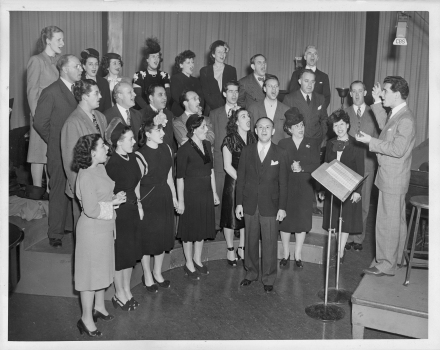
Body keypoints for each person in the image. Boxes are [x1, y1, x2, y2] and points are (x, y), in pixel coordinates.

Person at [356, 76, 416, 277]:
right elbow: (386, 131)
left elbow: (397, 149)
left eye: (385, 91)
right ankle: (394, 259)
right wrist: (375, 102)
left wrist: (370, 141)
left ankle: (386, 264)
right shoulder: (398, 115)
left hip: (393, 178)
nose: (382, 94)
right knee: (395, 221)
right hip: (391, 176)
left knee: (386, 223)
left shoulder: (405, 119)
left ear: (397, 95)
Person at [73, 134, 126, 337]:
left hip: (104, 228)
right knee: (89, 276)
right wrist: (112, 204)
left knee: (102, 270)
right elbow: (91, 210)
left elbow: (101, 196)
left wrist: (114, 198)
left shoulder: (101, 167)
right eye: (103, 146)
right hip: (92, 230)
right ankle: (86, 318)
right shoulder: (85, 174)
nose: (107, 149)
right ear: (92, 153)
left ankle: (99, 307)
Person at [33, 54, 82, 247]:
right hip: (59, 151)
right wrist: (57, 141)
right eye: (76, 66)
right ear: (64, 69)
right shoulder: (51, 91)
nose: (80, 69)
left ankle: (68, 226)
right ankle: (55, 233)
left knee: (75, 188)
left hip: (78, 151)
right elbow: (39, 122)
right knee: (58, 191)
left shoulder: (78, 91)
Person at [235, 117, 288, 293]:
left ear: (273, 131)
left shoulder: (280, 153)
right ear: (255, 131)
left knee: (270, 242)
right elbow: (240, 179)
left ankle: (269, 278)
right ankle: (251, 273)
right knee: (250, 241)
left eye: (268, 127)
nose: (264, 130)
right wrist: (239, 203)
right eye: (260, 127)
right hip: (250, 204)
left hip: (271, 206)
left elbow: (283, 183)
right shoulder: (247, 151)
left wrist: (282, 207)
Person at [136, 114, 178, 291]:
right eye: (158, 130)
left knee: (161, 236)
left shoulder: (167, 149)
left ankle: (157, 272)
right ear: (147, 133)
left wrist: (174, 197)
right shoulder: (139, 155)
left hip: (164, 196)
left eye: (161, 129)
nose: (162, 133)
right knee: (148, 239)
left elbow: (169, 176)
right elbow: (136, 184)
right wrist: (138, 205)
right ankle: (147, 274)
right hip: (148, 199)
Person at [61, 79, 108, 234]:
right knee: (86, 234)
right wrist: (80, 192)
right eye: (96, 93)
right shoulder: (73, 123)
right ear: (84, 96)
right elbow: (70, 163)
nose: (100, 96)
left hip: (102, 184)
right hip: (85, 188)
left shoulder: (100, 117)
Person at [176, 115, 220, 279]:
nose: (206, 129)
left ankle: (197, 259)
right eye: (203, 127)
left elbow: (211, 171)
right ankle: (188, 263)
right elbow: (179, 177)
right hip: (190, 193)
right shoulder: (184, 149)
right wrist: (181, 200)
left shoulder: (208, 145)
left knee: (201, 228)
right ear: (193, 129)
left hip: (206, 191)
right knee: (190, 230)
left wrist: (214, 192)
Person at [105, 121, 142, 309]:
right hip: (119, 214)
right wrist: (113, 198)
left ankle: (127, 290)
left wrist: (140, 204)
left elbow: (135, 184)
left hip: (132, 210)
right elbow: (104, 192)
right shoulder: (112, 163)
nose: (134, 142)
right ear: (118, 142)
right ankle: (119, 293)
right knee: (120, 256)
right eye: (130, 139)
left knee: (129, 254)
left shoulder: (132, 157)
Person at [319, 110, 364, 263]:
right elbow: (325, 167)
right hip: (333, 188)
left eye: (342, 125)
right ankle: (340, 248)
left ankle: (340, 252)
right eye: (336, 125)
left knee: (344, 220)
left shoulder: (356, 144)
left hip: (349, 188)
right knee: (336, 219)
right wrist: (323, 189)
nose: (339, 128)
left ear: (348, 125)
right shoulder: (330, 143)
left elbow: (360, 169)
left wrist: (357, 191)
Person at [278, 107, 321, 268]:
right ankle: (286, 253)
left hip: (305, 187)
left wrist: (302, 167)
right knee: (286, 222)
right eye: (296, 126)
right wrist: (290, 167)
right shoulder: (283, 143)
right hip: (287, 187)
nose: (301, 128)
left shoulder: (312, 142)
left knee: (302, 222)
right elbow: (279, 166)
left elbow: (317, 164)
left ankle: (298, 254)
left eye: (302, 125)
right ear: (289, 129)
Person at [26, 25, 63, 192]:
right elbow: (32, 90)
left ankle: (50, 193)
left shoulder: (58, 62)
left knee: (51, 155)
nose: (63, 43)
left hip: (55, 116)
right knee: (38, 155)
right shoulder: (36, 60)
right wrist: (37, 118)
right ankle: (36, 194)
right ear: (48, 41)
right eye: (59, 40)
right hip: (41, 116)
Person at [344, 80, 379, 252]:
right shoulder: (344, 113)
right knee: (349, 201)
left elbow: (379, 139)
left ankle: (358, 238)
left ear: (365, 93)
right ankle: (348, 236)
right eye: (354, 91)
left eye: (360, 91)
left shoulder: (375, 113)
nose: (357, 94)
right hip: (348, 165)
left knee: (364, 202)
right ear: (350, 93)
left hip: (367, 163)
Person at [220, 108, 256, 265]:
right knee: (230, 217)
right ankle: (229, 250)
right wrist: (243, 181)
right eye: (243, 116)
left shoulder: (253, 139)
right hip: (234, 183)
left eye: (248, 115)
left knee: (245, 217)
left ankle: (241, 247)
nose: (248, 118)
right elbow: (227, 166)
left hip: (249, 183)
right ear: (236, 121)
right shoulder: (229, 139)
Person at [210, 80, 240, 230]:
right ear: (224, 93)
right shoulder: (214, 113)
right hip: (220, 161)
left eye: (236, 91)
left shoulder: (243, 113)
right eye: (230, 91)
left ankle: (235, 225)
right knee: (220, 192)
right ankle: (216, 226)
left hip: (238, 161)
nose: (234, 95)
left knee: (235, 194)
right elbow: (211, 138)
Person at [283, 69, 328, 143]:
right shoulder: (289, 99)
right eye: (306, 81)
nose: (309, 85)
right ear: (300, 81)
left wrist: (321, 137)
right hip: (297, 142)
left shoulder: (320, 98)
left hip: (316, 141)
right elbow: (285, 124)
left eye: (312, 82)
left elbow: (324, 119)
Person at [247, 75, 289, 144]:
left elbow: (288, 136)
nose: (273, 89)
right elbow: (250, 134)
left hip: (279, 150)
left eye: (276, 86)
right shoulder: (253, 108)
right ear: (264, 89)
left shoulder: (286, 110)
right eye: (270, 86)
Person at [199, 40, 237, 115]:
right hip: (210, 109)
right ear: (213, 54)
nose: (222, 55)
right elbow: (205, 93)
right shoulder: (204, 70)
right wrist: (217, 108)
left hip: (227, 108)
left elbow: (233, 91)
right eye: (219, 52)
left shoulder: (231, 70)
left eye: (224, 52)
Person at [288, 45, 331, 111]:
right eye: (309, 53)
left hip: (317, 115)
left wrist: (318, 111)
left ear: (317, 58)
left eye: (315, 54)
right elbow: (292, 94)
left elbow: (327, 97)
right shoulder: (296, 74)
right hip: (299, 114)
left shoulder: (324, 76)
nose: (312, 56)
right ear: (305, 57)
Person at [132, 37, 171, 110]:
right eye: (153, 57)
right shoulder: (139, 75)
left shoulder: (164, 75)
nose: (156, 59)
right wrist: (151, 110)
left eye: (158, 57)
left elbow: (168, 95)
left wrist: (161, 108)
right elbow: (137, 97)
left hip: (162, 110)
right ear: (147, 59)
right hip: (144, 110)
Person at [103, 82, 143, 150]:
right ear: (120, 95)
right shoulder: (106, 116)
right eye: (130, 92)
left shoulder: (137, 114)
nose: (135, 94)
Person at [140, 84, 176, 152]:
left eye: (165, 94)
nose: (165, 98)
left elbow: (171, 138)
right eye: (160, 95)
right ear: (151, 97)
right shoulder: (141, 115)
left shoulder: (169, 114)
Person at [170, 50, 204, 117]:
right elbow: (177, 98)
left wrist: (199, 108)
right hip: (180, 113)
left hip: (195, 112)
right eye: (188, 63)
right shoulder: (175, 78)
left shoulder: (196, 80)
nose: (191, 65)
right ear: (181, 65)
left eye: (192, 62)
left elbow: (201, 98)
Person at [80, 48, 112, 113]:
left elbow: (108, 108)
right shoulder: (79, 82)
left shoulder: (104, 82)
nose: (94, 67)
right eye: (90, 64)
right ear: (84, 66)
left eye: (96, 64)